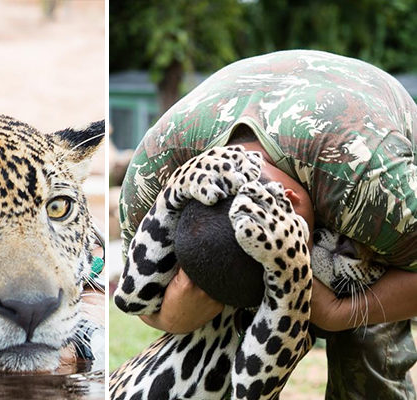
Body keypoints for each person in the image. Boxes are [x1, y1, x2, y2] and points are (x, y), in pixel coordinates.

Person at [119, 49, 417, 399]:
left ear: (290, 202)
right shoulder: (148, 188)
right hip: (279, 131)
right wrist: (172, 315)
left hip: (356, 135)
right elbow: (138, 296)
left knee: (366, 347)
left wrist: (342, 312)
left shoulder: (375, 191)